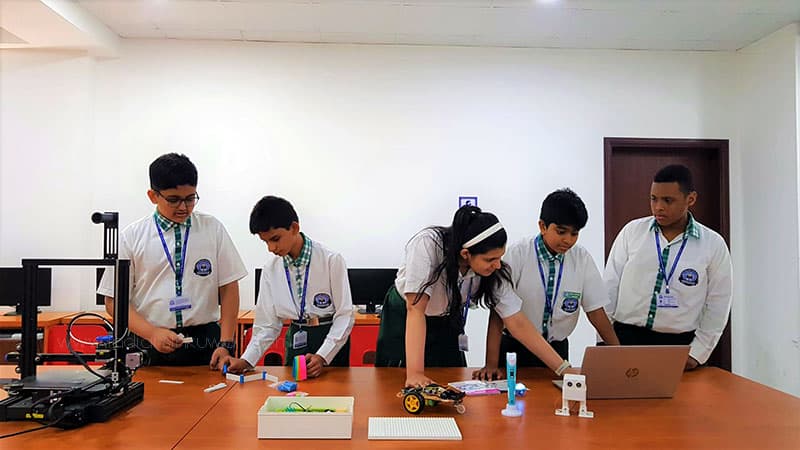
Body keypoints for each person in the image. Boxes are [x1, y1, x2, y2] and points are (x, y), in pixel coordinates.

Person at [375, 205, 576, 388]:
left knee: (449, 383)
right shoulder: (428, 245)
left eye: (500, 257)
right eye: (490, 259)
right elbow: (415, 309)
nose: (497, 264)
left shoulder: (492, 270)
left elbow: (516, 321)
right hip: (405, 320)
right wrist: (415, 374)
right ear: (465, 254)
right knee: (399, 383)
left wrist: (564, 369)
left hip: (446, 322)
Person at [98, 153, 247, 367]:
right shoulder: (132, 237)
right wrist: (151, 333)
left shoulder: (212, 229)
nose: (183, 207)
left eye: (190, 198)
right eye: (174, 200)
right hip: (148, 342)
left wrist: (226, 343)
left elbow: (229, 287)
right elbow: (113, 301)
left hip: (205, 343)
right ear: (153, 196)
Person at [476, 189, 619, 378]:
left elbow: (596, 313)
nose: (568, 240)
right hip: (515, 349)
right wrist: (491, 364)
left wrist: (618, 353)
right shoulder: (518, 254)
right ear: (543, 226)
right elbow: (498, 314)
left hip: (557, 350)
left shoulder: (581, 258)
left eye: (575, 233)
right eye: (561, 232)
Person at [604, 164, 732, 370]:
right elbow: (609, 288)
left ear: (691, 199)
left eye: (668, 200)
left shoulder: (713, 244)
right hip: (625, 338)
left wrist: (697, 353)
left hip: (679, 345)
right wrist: (605, 340)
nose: (658, 207)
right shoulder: (632, 232)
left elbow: (718, 303)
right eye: (653, 199)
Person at [218, 196, 354, 377]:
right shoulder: (271, 269)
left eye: (275, 239)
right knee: (294, 391)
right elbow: (267, 325)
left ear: (294, 228)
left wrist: (323, 356)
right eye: (266, 242)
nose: (271, 248)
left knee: (333, 392)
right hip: (296, 336)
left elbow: (345, 315)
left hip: (330, 340)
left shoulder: (331, 260)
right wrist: (246, 360)